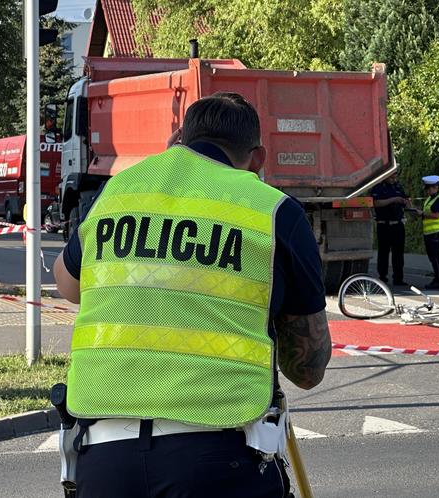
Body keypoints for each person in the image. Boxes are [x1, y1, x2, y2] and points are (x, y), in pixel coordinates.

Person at [53, 92, 332, 498]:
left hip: (105, 462)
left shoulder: (118, 192)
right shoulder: (273, 211)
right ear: (258, 159)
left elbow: (68, 283)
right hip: (220, 461)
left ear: (177, 136)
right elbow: (308, 370)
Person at [370, 172, 409, 286]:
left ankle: (398, 278)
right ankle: (382, 277)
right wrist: (393, 200)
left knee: (398, 253)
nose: (394, 179)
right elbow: (376, 203)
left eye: (395, 177)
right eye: (391, 177)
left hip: (397, 224)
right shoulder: (378, 187)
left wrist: (406, 202)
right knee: (383, 252)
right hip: (384, 224)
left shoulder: (398, 186)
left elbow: (405, 200)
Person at [414, 175, 439, 290]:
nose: (427, 191)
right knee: (432, 258)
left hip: (436, 233)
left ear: (436, 187)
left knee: (436, 258)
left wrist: (422, 214)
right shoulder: (432, 198)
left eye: (429, 189)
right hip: (429, 233)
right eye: (427, 189)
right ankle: (436, 279)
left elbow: (437, 215)